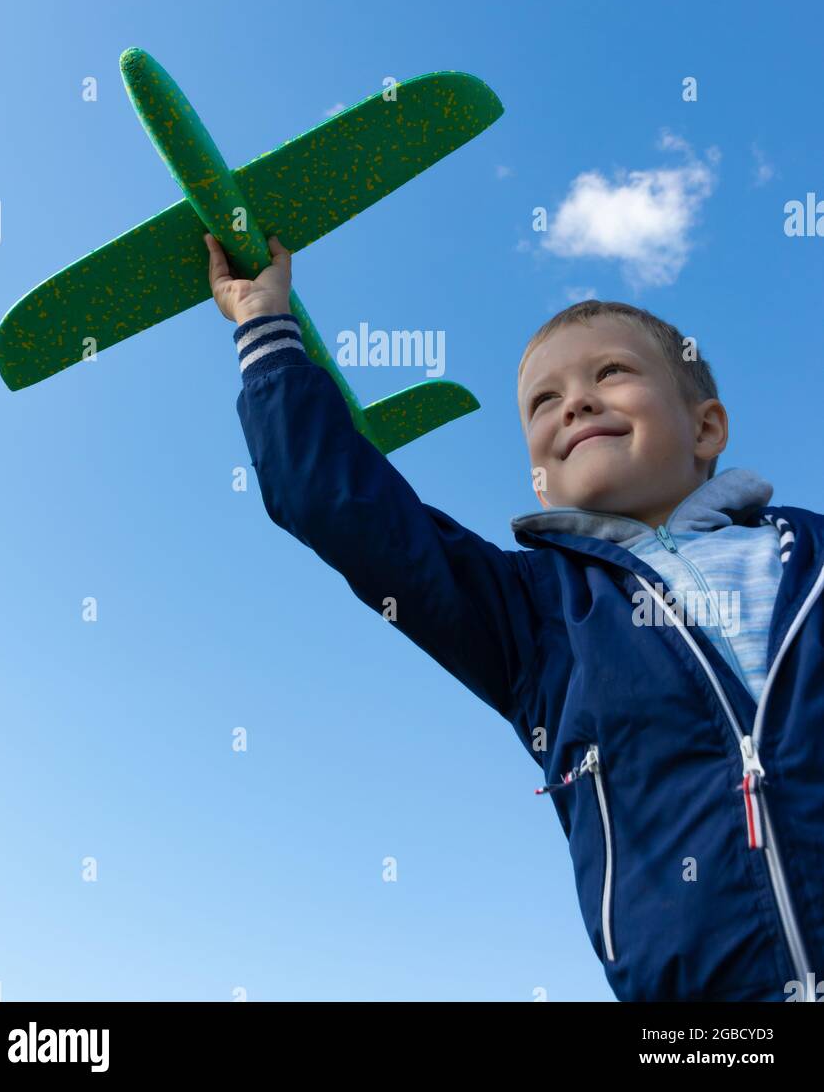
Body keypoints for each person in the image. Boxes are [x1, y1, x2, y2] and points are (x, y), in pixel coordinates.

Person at [204, 231, 824, 1004]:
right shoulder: (531, 614)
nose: (577, 402)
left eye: (612, 373)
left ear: (705, 428)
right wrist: (265, 326)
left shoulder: (811, 554)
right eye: (544, 401)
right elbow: (344, 511)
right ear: (539, 479)